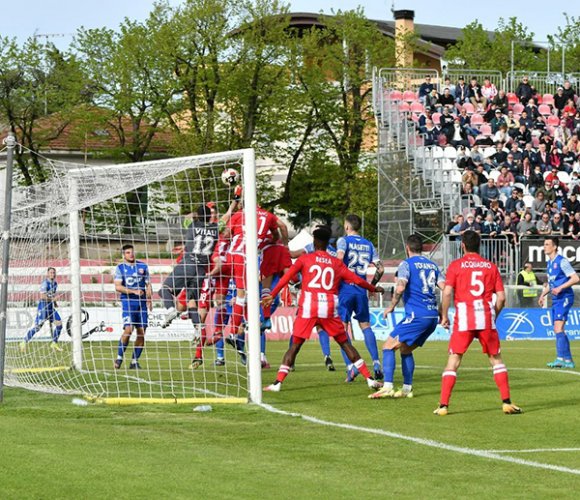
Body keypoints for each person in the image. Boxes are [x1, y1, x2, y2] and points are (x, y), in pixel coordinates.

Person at [262, 226, 384, 392]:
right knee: (345, 343)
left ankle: (277, 383)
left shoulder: (305, 259)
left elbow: (287, 277)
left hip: (308, 307)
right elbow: (356, 279)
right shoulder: (336, 263)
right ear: (328, 244)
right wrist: (373, 288)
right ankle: (369, 379)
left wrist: (272, 294)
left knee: (295, 346)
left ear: (314, 242)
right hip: (329, 308)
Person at [434, 231, 522, 416]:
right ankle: (506, 402)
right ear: (479, 245)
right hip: (485, 317)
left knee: (454, 360)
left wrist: (444, 315)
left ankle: (443, 406)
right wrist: (493, 315)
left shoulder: (456, 266)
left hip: (464, 318)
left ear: (462, 245)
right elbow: (502, 298)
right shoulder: (490, 266)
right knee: (495, 359)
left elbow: (447, 292)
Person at [369, 234, 445, 399]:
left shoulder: (406, 264)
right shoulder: (433, 265)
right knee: (405, 349)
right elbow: (446, 288)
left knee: (388, 346)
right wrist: (442, 312)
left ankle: (387, 386)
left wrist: (391, 306)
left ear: (407, 248)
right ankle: (406, 389)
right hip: (431, 317)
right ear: (421, 248)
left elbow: (401, 287)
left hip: (416, 315)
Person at [336, 214, 384, 380]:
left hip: (346, 289)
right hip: (361, 290)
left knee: (342, 329)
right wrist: (371, 286)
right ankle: (377, 362)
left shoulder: (343, 241)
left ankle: (352, 366)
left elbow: (339, 260)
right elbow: (381, 269)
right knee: (365, 326)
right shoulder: (369, 244)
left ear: (347, 227)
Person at [159, 205, 219, 330]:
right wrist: (234, 201)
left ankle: (170, 310)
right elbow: (226, 216)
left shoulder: (192, 225)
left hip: (189, 263)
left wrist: (194, 214)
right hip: (201, 270)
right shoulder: (216, 228)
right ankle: (198, 327)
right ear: (210, 217)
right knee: (191, 300)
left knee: (164, 289)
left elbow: (186, 218)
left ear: (197, 215)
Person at [538, 236, 579, 369]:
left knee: (558, 328)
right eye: (544, 244)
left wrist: (561, 287)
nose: (545, 246)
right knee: (559, 329)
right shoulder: (550, 263)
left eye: (547, 244)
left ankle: (560, 359)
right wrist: (543, 294)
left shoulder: (562, 261)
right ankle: (567, 360)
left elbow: (575, 278)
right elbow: (552, 284)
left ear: (554, 246)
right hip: (556, 299)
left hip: (565, 297)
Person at [113, 245, 152, 369]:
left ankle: (134, 361)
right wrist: (133, 291)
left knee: (141, 332)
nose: (131, 254)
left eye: (132, 252)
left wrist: (150, 298)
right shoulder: (120, 268)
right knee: (128, 330)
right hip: (128, 303)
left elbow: (148, 284)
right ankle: (119, 358)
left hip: (142, 304)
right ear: (124, 255)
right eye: (128, 252)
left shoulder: (143, 266)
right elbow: (118, 287)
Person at [20, 267, 63, 352]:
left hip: (51, 309)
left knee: (59, 325)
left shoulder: (55, 284)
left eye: (54, 273)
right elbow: (42, 296)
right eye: (51, 272)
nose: (52, 274)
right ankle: (24, 341)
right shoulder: (45, 283)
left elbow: (52, 295)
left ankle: (54, 343)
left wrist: (55, 303)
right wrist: (52, 300)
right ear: (47, 274)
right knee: (37, 328)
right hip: (43, 308)